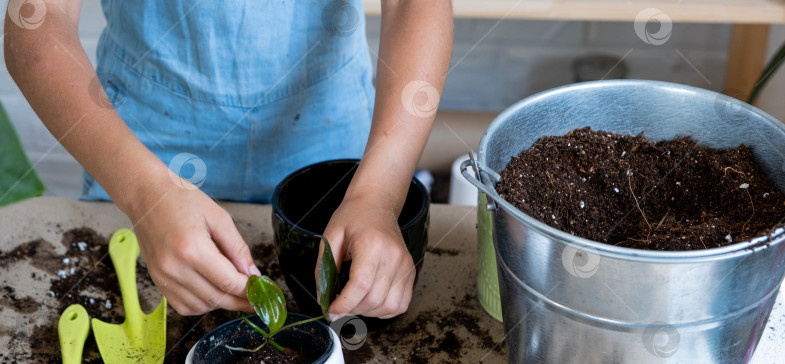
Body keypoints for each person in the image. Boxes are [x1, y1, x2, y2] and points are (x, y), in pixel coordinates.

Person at [5, 0, 453, 320]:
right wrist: (146, 194)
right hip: (140, 152)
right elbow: (36, 23)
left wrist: (378, 194)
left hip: (331, 147)